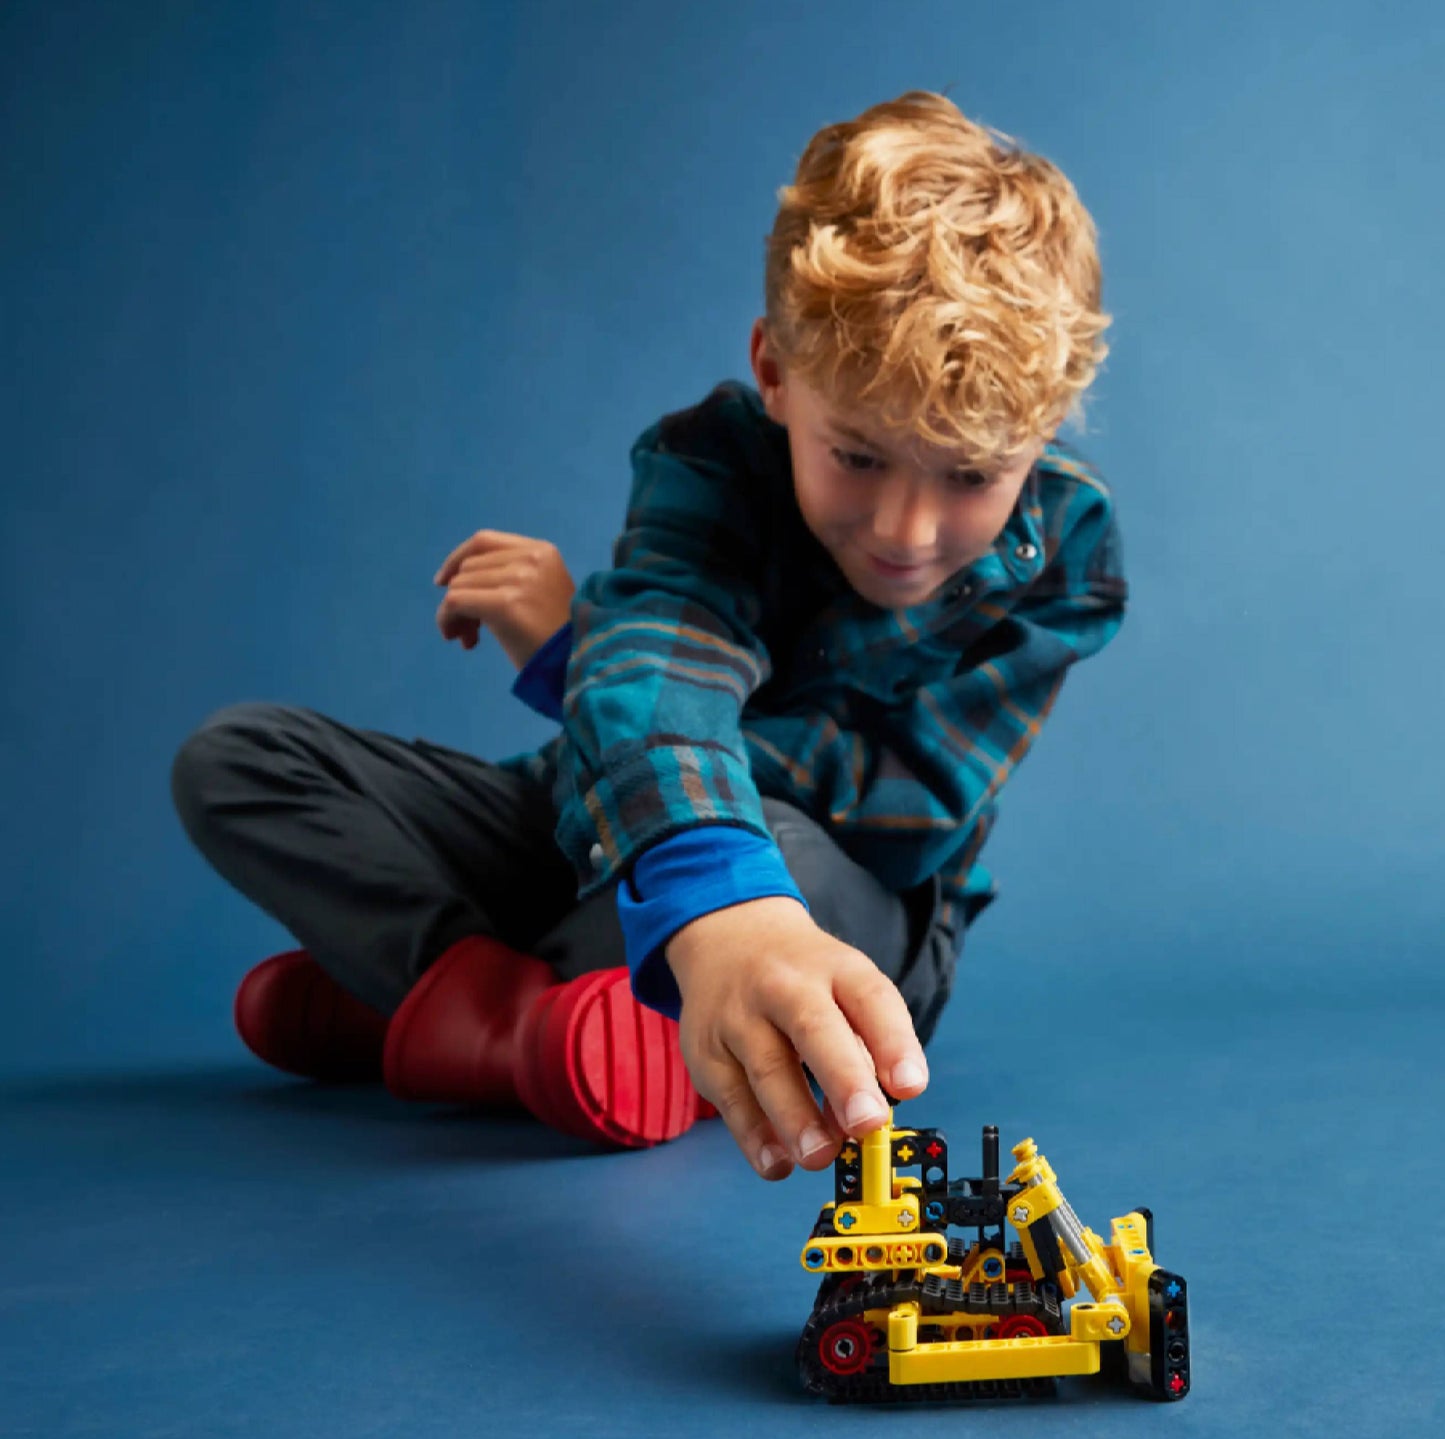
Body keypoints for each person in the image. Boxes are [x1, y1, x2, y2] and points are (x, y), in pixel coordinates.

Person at [170, 90, 1125, 1181]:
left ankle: (418, 996)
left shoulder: (1070, 549)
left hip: (843, 900)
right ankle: (491, 1011)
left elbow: (906, 807)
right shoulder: (710, 462)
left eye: (967, 477)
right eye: (856, 456)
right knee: (239, 760)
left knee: (775, 848)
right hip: (598, 819)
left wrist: (571, 666)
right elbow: (665, 643)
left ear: (1039, 431)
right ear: (773, 372)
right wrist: (638, 736)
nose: (907, 530)